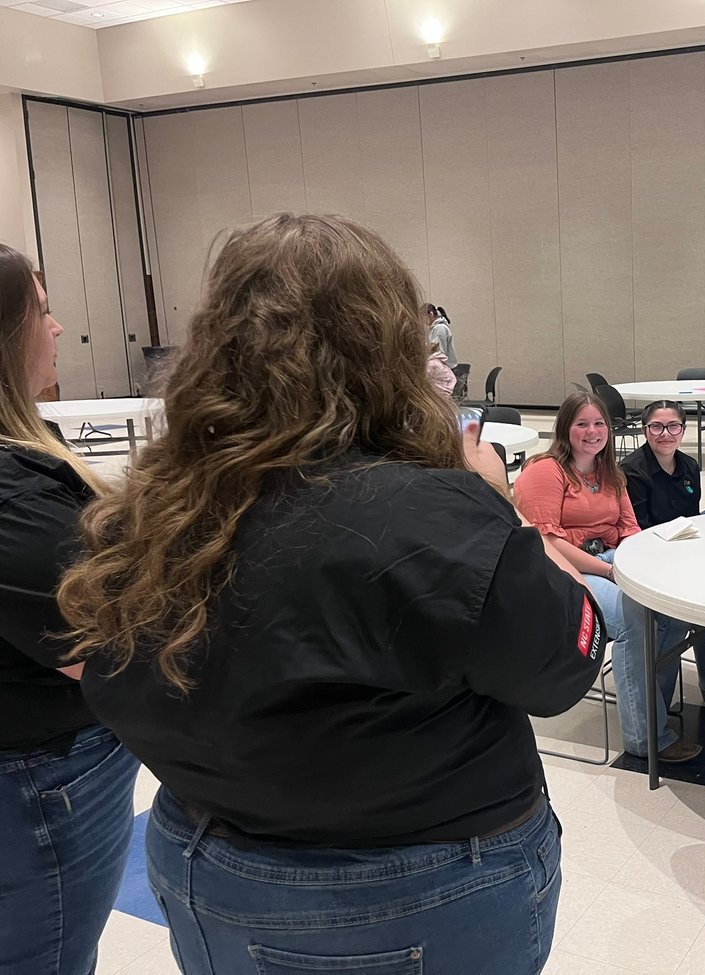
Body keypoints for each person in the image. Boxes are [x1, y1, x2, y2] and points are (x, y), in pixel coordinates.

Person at [58, 215, 601, 973]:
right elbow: (561, 669)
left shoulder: (150, 508)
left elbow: (113, 680)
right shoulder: (438, 513)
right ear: (386, 350)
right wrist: (501, 511)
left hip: (209, 863)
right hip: (427, 881)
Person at [0, 245, 140, 973]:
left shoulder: (27, 457)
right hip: (42, 785)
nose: (57, 329)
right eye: (43, 311)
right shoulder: (12, 503)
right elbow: (116, 650)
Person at [514, 392, 705, 759]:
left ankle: (653, 709)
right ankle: (644, 738)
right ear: (564, 428)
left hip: (611, 559)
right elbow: (545, 541)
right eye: (582, 424)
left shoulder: (610, 473)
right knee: (638, 620)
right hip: (562, 572)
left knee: (671, 608)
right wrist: (611, 571)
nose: (592, 431)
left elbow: (630, 530)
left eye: (599, 423)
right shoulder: (545, 471)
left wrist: (643, 568)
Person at [620, 400, 705, 717]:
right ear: (645, 431)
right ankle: (701, 692)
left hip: (685, 552)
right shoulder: (633, 472)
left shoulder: (689, 466)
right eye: (656, 427)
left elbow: (694, 519)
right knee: (691, 604)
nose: (665, 434)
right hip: (649, 560)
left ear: (683, 430)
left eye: (673, 426)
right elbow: (638, 531)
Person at [425, 302, 458, 367]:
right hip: (440, 366)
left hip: (444, 368)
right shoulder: (434, 328)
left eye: (423, 317)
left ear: (431, 314)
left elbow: (439, 353)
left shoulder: (440, 328)